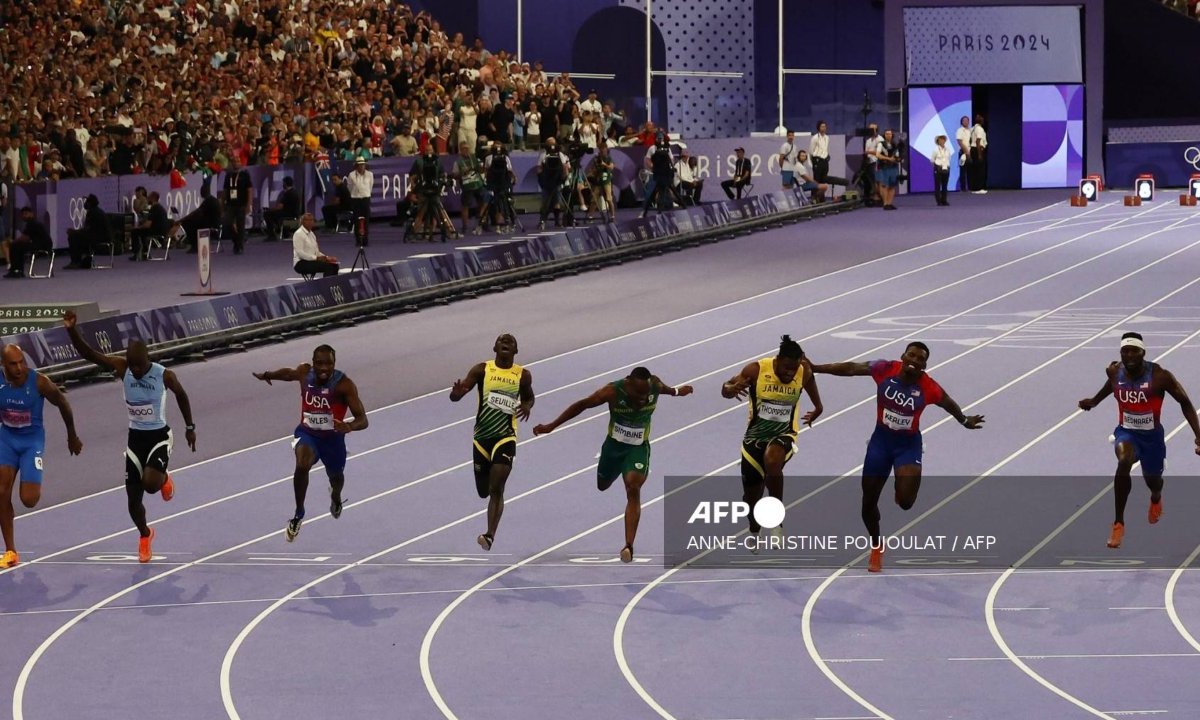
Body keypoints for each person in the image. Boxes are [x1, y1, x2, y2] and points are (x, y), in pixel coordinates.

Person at [811, 342, 983, 572]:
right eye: (911, 355)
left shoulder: (929, 387)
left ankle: (900, 486)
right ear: (903, 356)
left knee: (906, 503)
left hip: (908, 446)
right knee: (868, 502)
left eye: (920, 358)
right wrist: (816, 368)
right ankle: (876, 546)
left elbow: (948, 403)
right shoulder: (884, 368)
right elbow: (851, 368)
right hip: (880, 443)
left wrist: (964, 420)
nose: (914, 360)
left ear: (924, 365)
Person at [63, 313, 195, 563]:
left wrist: (190, 427)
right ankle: (145, 535)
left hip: (158, 437)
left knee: (151, 484)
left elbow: (182, 396)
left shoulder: (164, 375)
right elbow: (90, 354)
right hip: (135, 440)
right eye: (131, 364)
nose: (134, 370)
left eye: (138, 365)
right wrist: (72, 330)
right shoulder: (122, 368)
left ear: (147, 360)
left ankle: (164, 476)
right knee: (133, 501)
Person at [534, 367, 693, 562]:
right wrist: (551, 425)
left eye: (646, 394)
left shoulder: (655, 385)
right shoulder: (612, 391)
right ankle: (617, 469)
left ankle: (628, 546)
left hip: (637, 448)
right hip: (613, 448)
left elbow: (666, 389)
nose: (643, 399)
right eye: (638, 394)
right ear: (628, 384)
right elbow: (582, 405)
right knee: (602, 485)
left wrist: (678, 391)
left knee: (633, 488)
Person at [1078, 332, 1200, 549]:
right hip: (1127, 432)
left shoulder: (1160, 376)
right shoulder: (1115, 371)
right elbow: (1112, 385)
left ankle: (1155, 497)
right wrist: (1094, 401)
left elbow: (1185, 402)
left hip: (1152, 439)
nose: (1129, 355)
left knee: (1153, 481)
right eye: (1125, 351)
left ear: (1143, 352)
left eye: (1134, 351)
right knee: (1124, 461)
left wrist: (1198, 436)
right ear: (1121, 354)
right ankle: (1118, 524)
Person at [253, 345, 368, 541]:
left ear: (334, 364)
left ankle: (336, 497)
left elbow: (363, 420)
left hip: (333, 440)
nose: (324, 368)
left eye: (329, 364)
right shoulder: (304, 373)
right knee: (302, 463)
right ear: (313, 363)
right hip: (308, 434)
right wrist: (267, 375)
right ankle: (298, 514)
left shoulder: (344, 385)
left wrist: (348, 427)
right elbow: (289, 374)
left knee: (336, 478)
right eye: (320, 363)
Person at [721, 336, 822, 546]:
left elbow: (810, 381)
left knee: (773, 460)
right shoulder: (756, 370)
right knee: (751, 497)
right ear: (777, 360)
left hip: (784, 434)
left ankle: (776, 521)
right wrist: (729, 389)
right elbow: (727, 387)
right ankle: (754, 527)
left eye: (793, 369)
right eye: (786, 368)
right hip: (754, 437)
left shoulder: (803, 370)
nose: (790, 373)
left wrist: (818, 408)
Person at [449, 334, 534, 551]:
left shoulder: (522, 375)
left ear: (516, 351)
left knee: (497, 487)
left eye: (511, 342)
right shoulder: (481, 370)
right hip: (481, 438)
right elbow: (459, 393)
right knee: (483, 491)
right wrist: (456, 394)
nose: (506, 342)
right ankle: (490, 506)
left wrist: (527, 405)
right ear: (494, 347)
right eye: (502, 341)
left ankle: (489, 535)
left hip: (505, 437)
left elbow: (528, 396)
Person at [0, 344, 83, 568]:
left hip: (31, 442)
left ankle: (31, 474)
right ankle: (10, 551)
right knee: (1, 491)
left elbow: (63, 403)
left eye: (21, 362)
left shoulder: (39, 382)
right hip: (6, 440)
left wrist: (72, 436)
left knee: (29, 499)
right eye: (13, 364)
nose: (19, 368)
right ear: (3, 365)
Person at [4, 207, 53, 278]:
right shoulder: (32, 223)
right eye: (23, 214)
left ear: (31, 214)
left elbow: (25, 238)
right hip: (43, 244)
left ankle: (16, 270)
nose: (24, 216)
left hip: (42, 245)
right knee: (18, 246)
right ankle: (18, 271)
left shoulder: (32, 223)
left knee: (15, 246)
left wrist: (13, 242)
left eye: (26, 214)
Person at [222, 154, 252, 254]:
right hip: (230, 204)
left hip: (241, 203)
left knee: (240, 225)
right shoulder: (228, 175)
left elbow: (249, 190)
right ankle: (236, 240)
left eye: (238, 161)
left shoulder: (245, 174)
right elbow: (225, 190)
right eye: (234, 161)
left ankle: (239, 246)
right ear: (232, 163)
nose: (236, 163)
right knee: (228, 223)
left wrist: (249, 204)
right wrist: (223, 203)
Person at [292, 213, 338, 277]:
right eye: (308, 220)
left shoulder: (312, 234)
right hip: (301, 263)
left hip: (312, 260)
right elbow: (300, 253)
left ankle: (333, 285)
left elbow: (316, 252)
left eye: (312, 220)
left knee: (334, 265)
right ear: (302, 222)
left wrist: (327, 258)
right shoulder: (298, 234)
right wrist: (316, 258)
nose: (310, 222)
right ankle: (326, 286)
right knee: (328, 267)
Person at [263, 176, 301, 240]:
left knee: (267, 214)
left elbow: (280, 207)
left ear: (285, 184)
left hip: (288, 214)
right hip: (295, 213)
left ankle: (272, 235)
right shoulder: (295, 192)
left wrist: (270, 209)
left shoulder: (287, 194)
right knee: (275, 215)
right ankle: (285, 232)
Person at [873, 129, 901, 211]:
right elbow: (878, 155)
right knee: (884, 185)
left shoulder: (895, 145)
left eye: (890, 134)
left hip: (893, 167)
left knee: (892, 185)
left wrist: (898, 159)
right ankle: (885, 203)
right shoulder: (881, 144)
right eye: (886, 134)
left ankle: (889, 203)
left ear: (892, 135)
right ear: (884, 135)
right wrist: (888, 159)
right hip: (883, 167)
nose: (888, 135)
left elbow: (897, 155)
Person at [347, 156, 374, 222]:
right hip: (355, 198)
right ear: (356, 166)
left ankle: (366, 231)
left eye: (363, 164)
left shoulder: (370, 174)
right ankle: (357, 231)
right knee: (356, 217)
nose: (361, 166)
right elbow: (349, 187)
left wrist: (366, 193)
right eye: (359, 165)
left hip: (366, 197)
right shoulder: (351, 175)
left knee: (366, 216)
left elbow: (371, 185)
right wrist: (355, 194)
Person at [969, 114, 988, 194]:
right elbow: (978, 141)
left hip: (973, 149)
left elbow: (970, 140)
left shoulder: (972, 128)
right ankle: (979, 188)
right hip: (978, 149)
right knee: (980, 169)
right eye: (982, 120)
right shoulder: (979, 129)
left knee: (974, 169)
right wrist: (979, 154)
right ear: (981, 121)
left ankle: (973, 188)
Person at [932, 134, 951, 206]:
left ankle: (944, 200)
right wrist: (936, 168)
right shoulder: (935, 149)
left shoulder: (948, 149)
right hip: (938, 168)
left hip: (946, 168)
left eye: (943, 139)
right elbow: (932, 160)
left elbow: (948, 158)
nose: (942, 141)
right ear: (938, 141)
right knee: (937, 185)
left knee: (945, 185)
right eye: (940, 139)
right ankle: (938, 201)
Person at [955, 116, 972, 192]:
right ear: (961, 122)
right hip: (963, 153)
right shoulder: (960, 130)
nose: (966, 122)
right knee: (962, 170)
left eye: (967, 120)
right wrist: (966, 151)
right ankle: (963, 188)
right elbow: (959, 141)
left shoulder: (970, 130)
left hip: (971, 151)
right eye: (964, 121)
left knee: (970, 170)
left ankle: (970, 186)